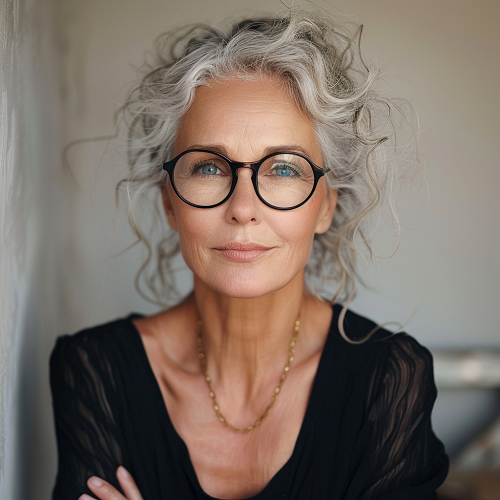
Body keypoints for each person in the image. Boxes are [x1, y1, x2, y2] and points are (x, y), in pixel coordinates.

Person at [50, 10, 449, 500]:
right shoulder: (95, 369)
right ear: (169, 203)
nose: (243, 208)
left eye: (283, 169)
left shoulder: (390, 379)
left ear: (325, 206)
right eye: (209, 167)